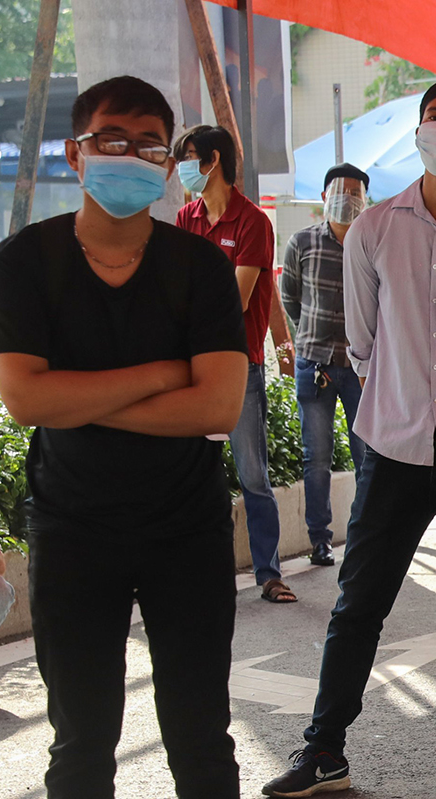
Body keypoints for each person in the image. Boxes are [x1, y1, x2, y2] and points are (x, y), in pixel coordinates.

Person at [0, 75, 267, 799]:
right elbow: (26, 395)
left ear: (171, 161)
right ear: (76, 153)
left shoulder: (195, 265)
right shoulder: (27, 259)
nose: (132, 156)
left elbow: (219, 406)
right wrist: (160, 374)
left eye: (152, 144)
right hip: (72, 527)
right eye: (111, 139)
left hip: (183, 526)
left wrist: (89, 399)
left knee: (200, 729)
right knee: (81, 734)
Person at [263, 78, 436, 799]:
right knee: (361, 602)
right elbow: (360, 340)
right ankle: (325, 748)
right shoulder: (376, 229)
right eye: (433, 119)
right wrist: (406, 393)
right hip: (392, 444)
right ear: (419, 134)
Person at [172, 123, 290, 603]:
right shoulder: (186, 218)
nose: (181, 168)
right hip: (190, 368)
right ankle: (199, 571)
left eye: (188, 157)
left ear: (213, 160)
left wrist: (193, 297)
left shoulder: (253, 223)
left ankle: (269, 573)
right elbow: (177, 290)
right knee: (193, 474)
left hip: (240, 367)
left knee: (253, 475)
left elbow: (235, 301)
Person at [280, 161, 369, 570]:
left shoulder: (372, 247)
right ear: (323, 197)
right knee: (316, 457)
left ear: (365, 201)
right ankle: (320, 539)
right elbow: (290, 299)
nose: (347, 199)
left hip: (360, 366)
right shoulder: (302, 243)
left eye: (355, 192)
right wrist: (307, 338)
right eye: (340, 191)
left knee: (366, 451)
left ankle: (367, 534)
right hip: (313, 363)